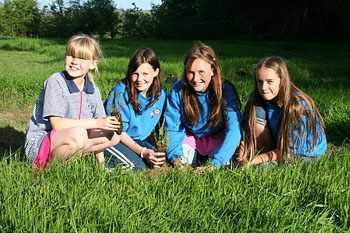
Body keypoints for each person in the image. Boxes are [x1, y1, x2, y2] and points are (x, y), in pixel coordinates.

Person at [24, 34, 120, 170]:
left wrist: (101, 167)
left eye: (82, 58)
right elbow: (57, 124)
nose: (75, 61)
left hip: (73, 139)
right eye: (71, 55)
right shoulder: (56, 81)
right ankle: (48, 168)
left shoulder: (93, 90)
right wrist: (98, 122)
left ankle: (68, 162)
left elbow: (99, 126)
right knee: (79, 134)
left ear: (93, 64)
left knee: (113, 136)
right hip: (41, 143)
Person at [164, 41, 242, 169]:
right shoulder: (178, 90)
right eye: (191, 72)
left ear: (213, 70)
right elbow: (173, 127)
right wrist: (175, 157)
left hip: (217, 137)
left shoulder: (225, 90)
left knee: (226, 166)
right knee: (183, 166)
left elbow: (234, 128)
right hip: (190, 137)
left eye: (201, 72)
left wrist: (216, 163)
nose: (195, 79)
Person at [238, 56, 327, 167]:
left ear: (282, 80)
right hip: (278, 146)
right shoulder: (257, 97)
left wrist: (253, 160)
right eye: (259, 82)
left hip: (301, 154)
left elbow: (289, 151)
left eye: (270, 81)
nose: (263, 87)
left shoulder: (298, 106)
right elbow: (245, 129)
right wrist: (244, 150)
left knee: (261, 168)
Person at [104, 48, 167, 170]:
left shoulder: (161, 94)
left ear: (155, 72)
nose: (139, 79)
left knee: (158, 161)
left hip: (137, 139)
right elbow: (118, 132)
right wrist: (142, 151)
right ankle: (92, 159)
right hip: (113, 138)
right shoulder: (121, 93)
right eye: (135, 74)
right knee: (137, 166)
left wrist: (151, 150)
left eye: (145, 74)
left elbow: (154, 125)